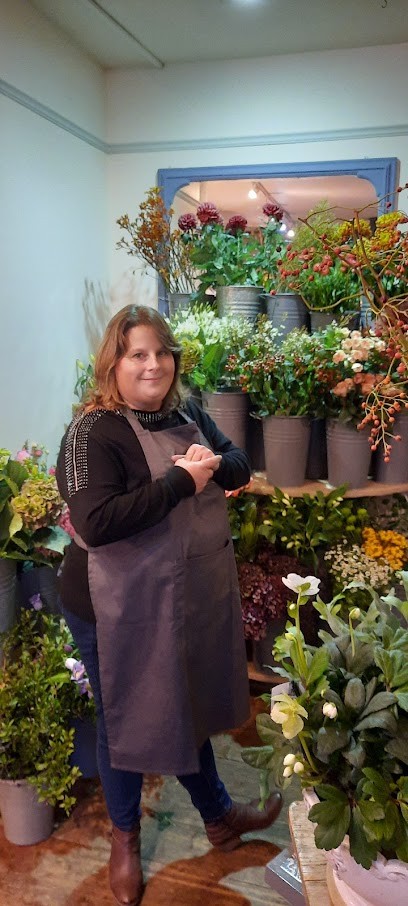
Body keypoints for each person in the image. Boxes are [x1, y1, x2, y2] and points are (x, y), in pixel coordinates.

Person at [56, 304, 282, 906]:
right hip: (111, 606)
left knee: (179, 704)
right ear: (115, 363)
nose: (152, 364)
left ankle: (217, 816)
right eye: (137, 354)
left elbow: (237, 461)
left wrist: (208, 465)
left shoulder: (187, 414)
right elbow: (97, 521)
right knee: (128, 718)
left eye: (161, 352)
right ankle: (125, 839)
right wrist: (184, 481)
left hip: (176, 597)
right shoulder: (90, 434)